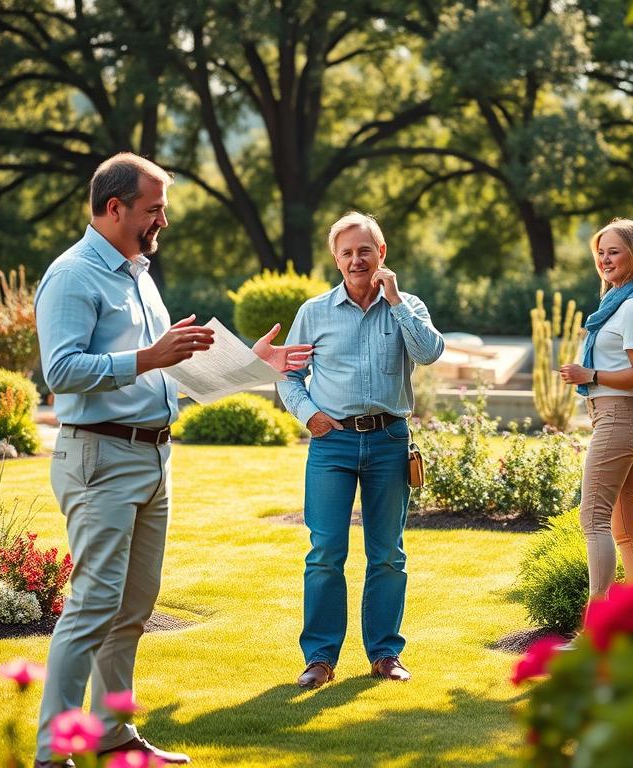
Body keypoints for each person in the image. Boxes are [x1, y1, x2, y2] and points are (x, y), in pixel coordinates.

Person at [33, 152, 312, 767]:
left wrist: (248, 366)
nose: (163, 220)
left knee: (132, 608)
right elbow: (61, 371)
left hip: (152, 458)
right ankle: (53, 754)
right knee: (90, 609)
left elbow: (165, 374)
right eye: (153, 209)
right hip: (99, 457)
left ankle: (112, 734)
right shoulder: (73, 275)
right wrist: (147, 358)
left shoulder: (138, 272)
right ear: (115, 208)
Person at [277, 211, 445, 689]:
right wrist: (308, 414)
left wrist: (396, 303)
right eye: (347, 252)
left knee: (388, 554)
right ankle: (320, 658)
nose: (356, 259)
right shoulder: (314, 312)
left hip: (391, 441)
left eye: (364, 251)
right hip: (332, 443)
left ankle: (386, 654)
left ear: (381, 254)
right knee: (325, 551)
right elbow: (288, 377)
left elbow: (430, 353)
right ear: (336, 259)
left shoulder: (407, 305)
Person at [559, 218, 633, 603]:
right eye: (600, 253)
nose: (604, 260)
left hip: (622, 418)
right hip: (632, 421)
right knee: (624, 529)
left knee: (593, 520)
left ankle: (596, 631)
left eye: (614, 252)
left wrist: (590, 373)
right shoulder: (628, 298)